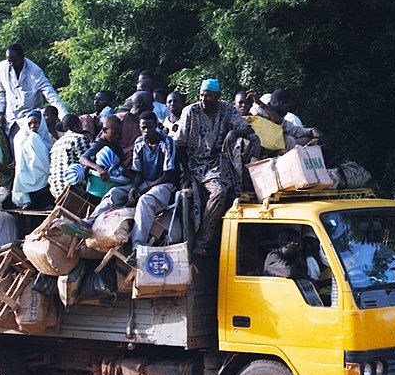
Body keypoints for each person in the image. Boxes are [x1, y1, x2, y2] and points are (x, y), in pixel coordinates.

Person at [64, 111, 178, 258]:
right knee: (115, 192)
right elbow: (137, 173)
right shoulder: (139, 142)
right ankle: (87, 223)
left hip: (164, 184)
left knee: (144, 201)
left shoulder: (167, 142)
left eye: (150, 127)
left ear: (156, 126)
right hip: (144, 183)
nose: (146, 131)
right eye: (143, 128)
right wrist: (134, 188)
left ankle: (137, 247)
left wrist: (142, 190)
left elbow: (167, 175)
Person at [174, 78, 259, 256]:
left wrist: (234, 132)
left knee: (220, 191)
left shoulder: (227, 109)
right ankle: (198, 241)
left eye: (209, 96)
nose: (204, 99)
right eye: (202, 95)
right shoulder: (191, 111)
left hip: (215, 164)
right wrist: (187, 175)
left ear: (218, 96)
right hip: (193, 163)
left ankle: (203, 241)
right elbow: (179, 144)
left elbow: (248, 130)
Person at [0, 43, 68, 148]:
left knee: (36, 147)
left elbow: (51, 95)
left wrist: (65, 117)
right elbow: (1, 92)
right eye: (9, 61)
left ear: (22, 57)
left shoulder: (35, 71)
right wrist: (1, 113)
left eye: (14, 60)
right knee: (16, 147)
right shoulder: (2, 67)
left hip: (31, 118)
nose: (11, 64)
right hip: (12, 118)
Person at [12, 110, 52, 208]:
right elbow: (44, 163)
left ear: (41, 123)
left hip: (24, 183)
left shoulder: (21, 137)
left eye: (36, 123)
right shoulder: (33, 138)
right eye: (30, 124)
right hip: (41, 182)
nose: (33, 126)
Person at [48, 114, 90, 198]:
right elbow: (88, 162)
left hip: (56, 191)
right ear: (77, 125)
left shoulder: (56, 144)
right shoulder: (79, 138)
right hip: (72, 188)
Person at [79, 115, 124, 181]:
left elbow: (120, 163)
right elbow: (82, 159)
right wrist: (98, 168)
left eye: (119, 134)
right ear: (105, 130)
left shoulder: (115, 142)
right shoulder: (99, 143)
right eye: (114, 134)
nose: (117, 136)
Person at [116, 91, 154, 168]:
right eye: (151, 104)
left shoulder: (146, 124)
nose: (153, 107)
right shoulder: (120, 118)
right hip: (113, 160)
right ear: (142, 105)